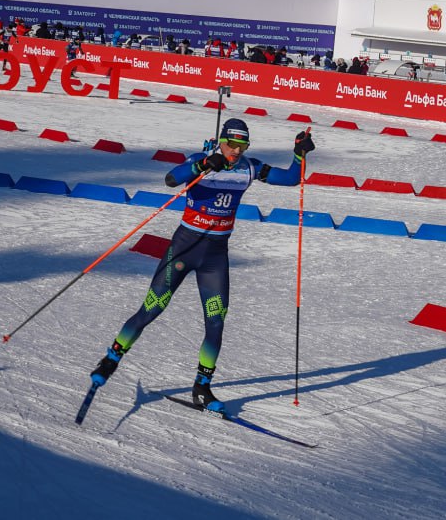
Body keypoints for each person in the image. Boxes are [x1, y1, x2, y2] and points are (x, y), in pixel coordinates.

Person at [89, 119, 316, 415]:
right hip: (184, 249)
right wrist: (206, 163)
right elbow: (172, 179)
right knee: (152, 308)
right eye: (231, 144)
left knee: (216, 322)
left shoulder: (249, 167)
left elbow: (289, 179)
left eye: (242, 146)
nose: (235, 151)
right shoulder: (201, 161)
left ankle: (202, 388)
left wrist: (299, 154)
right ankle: (110, 359)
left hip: (215, 257)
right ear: (221, 140)